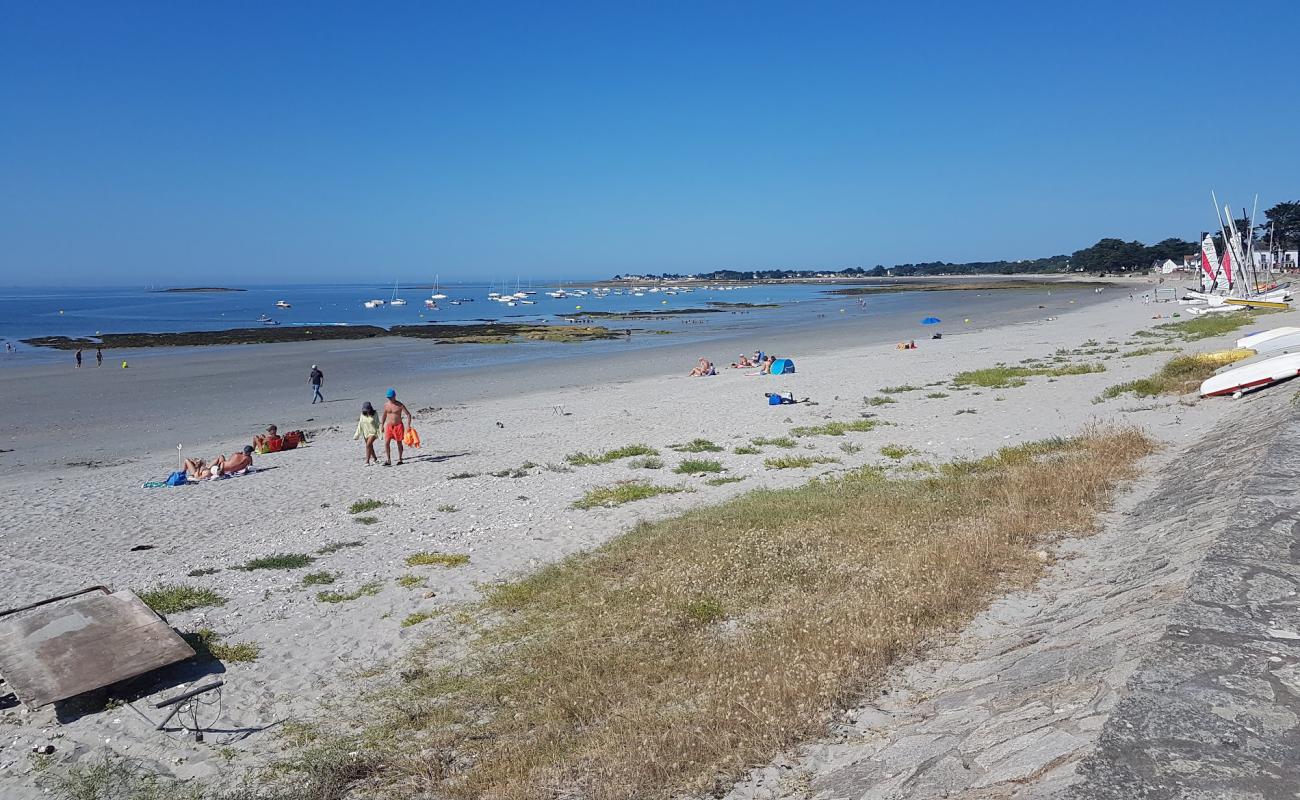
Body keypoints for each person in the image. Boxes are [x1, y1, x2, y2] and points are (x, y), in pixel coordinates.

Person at [381, 388, 413, 466]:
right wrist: (382, 425)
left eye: (391, 397)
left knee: (399, 443)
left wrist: (408, 425)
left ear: (395, 396)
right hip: (389, 426)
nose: (390, 399)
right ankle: (388, 460)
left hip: (398, 426)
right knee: (386, 443)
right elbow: (384, 415)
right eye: (388, 397)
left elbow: (408, 414)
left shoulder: (400, 405)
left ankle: (400, 459)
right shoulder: (386, 405)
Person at [183, 446, 255, 480]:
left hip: (197, 473)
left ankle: (183, 472)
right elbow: (250, 466)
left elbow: (198, 477)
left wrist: (199, 468)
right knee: (220, 457)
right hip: (212, 469)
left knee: (187, 460)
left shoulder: (236, 455)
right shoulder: (249, 458)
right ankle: (196, 464)